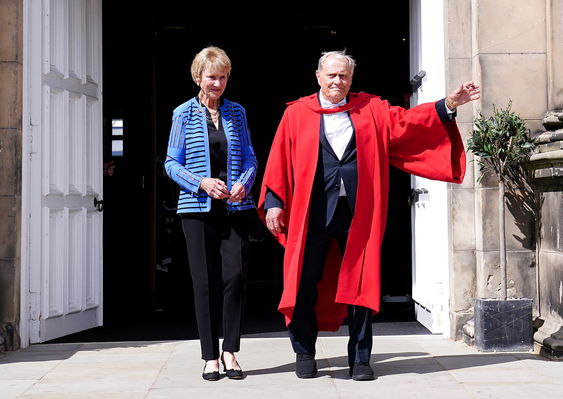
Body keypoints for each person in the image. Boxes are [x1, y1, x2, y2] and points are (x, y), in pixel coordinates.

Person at [259, 50, 479, 381]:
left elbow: (406, 123)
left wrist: (447, 104)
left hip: (358, 213)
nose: (337, 81)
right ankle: (304, 350)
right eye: (331, 75)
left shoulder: (370, 108)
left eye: (343, 76)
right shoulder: (297, 113)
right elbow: (279, 158)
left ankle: (360, 359)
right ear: (318, 76)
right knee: (304, 283)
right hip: (312, 213)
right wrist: (274, 201)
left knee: (361, 285)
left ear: (351, 79)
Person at [165, 46, 257, 381]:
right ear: (198, 77)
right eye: (211, 77)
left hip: (234, 208)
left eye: (222, 77)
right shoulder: (183, 114)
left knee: (235, 277)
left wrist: (245, 182)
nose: (216, 83)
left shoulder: (237, 113)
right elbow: (170, 163)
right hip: (196, 210)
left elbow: (250, 157)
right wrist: (201, 183)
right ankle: (209, 357)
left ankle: (230, 350)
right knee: (203, 283)